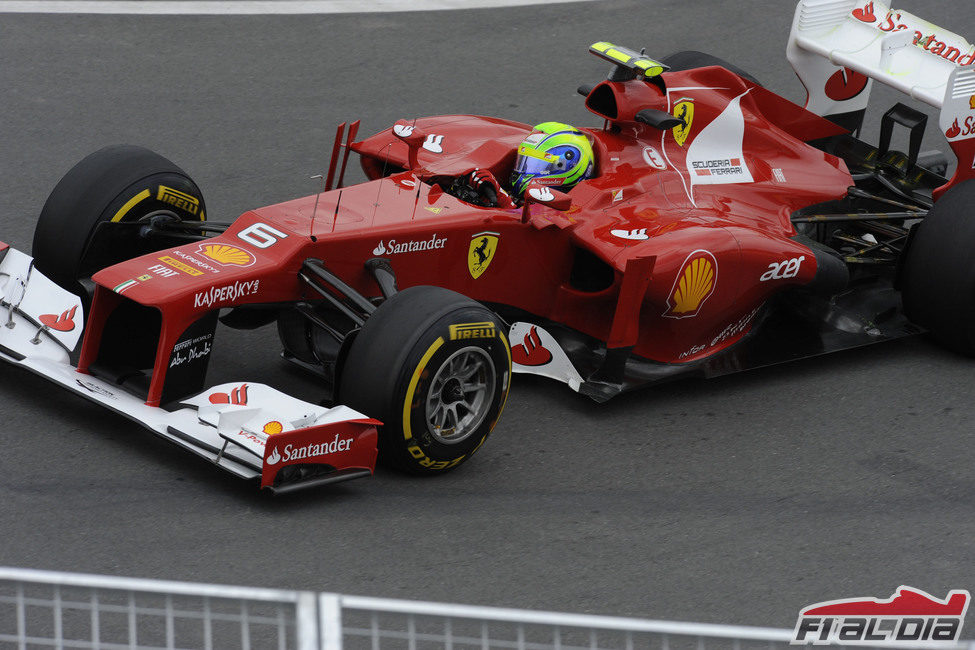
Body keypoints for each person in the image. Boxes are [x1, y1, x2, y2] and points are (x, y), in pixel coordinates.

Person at [457, 122, 595, 208]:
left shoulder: (574, 209)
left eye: (539, 164)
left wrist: (504, 202)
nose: (525, 169)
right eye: (525, 161)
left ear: (566, 167)